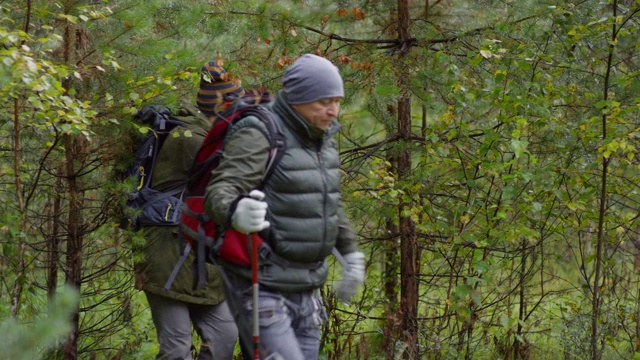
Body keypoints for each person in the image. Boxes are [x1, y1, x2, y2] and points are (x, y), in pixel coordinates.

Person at [203, 54, 366, 360]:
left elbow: (328, 201)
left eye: (337, 100)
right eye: (324, 101)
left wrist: (351, 253)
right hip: (260, 282)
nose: (334, 110)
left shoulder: (322, 138)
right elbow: (219, 192)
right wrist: (236, 212)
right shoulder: (259, 132)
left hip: (308, 285)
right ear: (297, 99)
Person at [134, 59, 244, 360]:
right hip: (167, 253)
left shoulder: (211, 134)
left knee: (224, 334)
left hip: (198, 255)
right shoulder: (191, 139)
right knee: (176, 348)